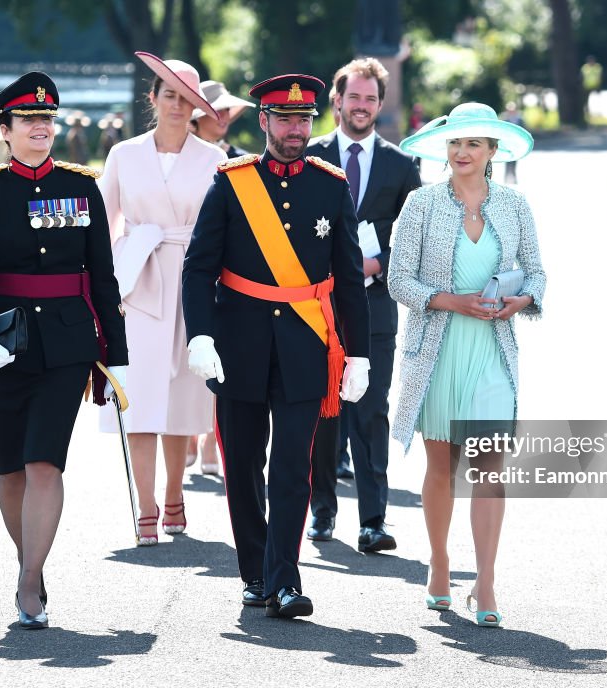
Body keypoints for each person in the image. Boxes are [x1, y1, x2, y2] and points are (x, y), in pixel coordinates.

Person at [182, 73, 371, 619]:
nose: (295, 129)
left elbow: (349, 276)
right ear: (263, 121)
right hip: (237, 343)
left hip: (305, 343)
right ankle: (254, 571)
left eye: (304, 119)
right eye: (285, 119)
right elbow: (198, 270)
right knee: (242, 465)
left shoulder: (331, 185)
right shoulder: (231, 181)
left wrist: (358, 354)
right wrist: (199, 334)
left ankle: (285, 579)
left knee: (293, 464)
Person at [0, 71, 128, 630]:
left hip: (69, 343)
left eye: (46, 119)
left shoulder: (83, 187)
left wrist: (116, 356)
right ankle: (32, 558)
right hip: (3, 342)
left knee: (44, 461)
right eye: (28, 120)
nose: (40, 128)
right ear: (5, 130)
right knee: (10, 468)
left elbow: (103, 276)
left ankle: (30, 581)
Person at [389, 102, 545, 627]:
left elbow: (538, 276)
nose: (462, 152)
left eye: (474, 143)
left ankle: (487, 580)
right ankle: (438, 564)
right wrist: (453, 300)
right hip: (437, 351)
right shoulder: (420, 204)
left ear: (492, 151)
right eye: (455, 142)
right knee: (440, 468)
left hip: (493, 354)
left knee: (489, 471)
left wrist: (518, 302)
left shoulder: (516, 205)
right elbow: (398, 281)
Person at [97, 53, 226, 545]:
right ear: (152, 98)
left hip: (195, 283)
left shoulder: (215, 160)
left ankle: (176, 495)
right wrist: (107, 282)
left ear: (197, 107)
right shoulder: (123, 155)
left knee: (184, 397)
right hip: (139, 283)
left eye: (186, 98)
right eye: (168, 94)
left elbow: (224, 230)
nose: (176, 105)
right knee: (141, 396)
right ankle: (145, 505)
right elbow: (100, 222)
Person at [304, 57, 422, 549]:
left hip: (374, 310)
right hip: (314, 310)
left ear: (380, 103)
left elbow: (418, 241)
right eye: (354, 97)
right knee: (320, 412)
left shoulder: (400, 166)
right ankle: (322, 512)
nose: (362, 106)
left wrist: (377, 265)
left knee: (371, 411)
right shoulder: (309, 156)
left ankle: (373, 521)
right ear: (337, 100)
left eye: (371, 98)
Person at [185, 79, 258, 475]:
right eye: (217, 110)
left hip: (231, 272)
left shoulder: (243, 161)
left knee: (223, 359)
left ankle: (212, 442)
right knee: (190, 357)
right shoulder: (182, 157)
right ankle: (190, 437)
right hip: (185, 265)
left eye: (228, 110)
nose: (225, 117)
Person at [189, 80, 255, 159]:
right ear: (199, 116)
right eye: (217, 109)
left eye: (227, 109)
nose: (224, 115)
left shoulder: (240, 159)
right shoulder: (179, 154)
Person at [500, 102, 524, 185]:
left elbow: (524, 131)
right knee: (507, 161)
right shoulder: (505, 120)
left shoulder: (520, 120)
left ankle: (514, 177)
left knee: (514, 161)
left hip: (516, 144)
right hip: (507, 144)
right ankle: (506, 179)